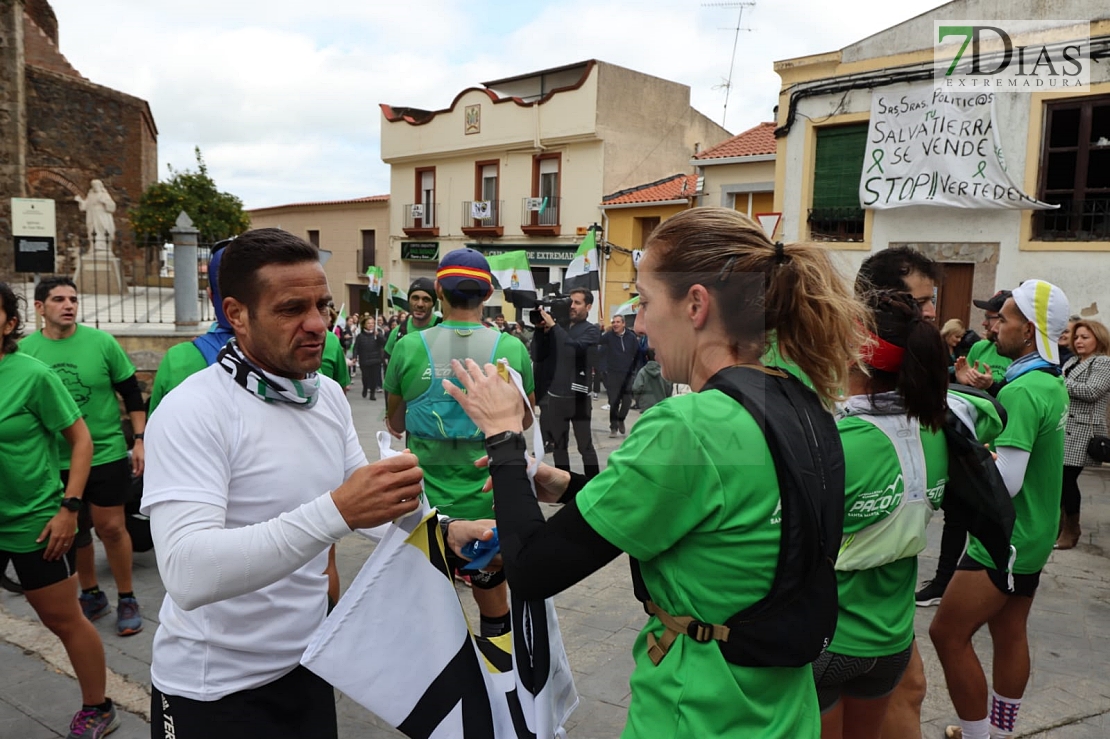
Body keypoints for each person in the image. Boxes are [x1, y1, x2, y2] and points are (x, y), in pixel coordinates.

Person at [444, 207, 869, 738]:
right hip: (779, 710)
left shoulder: (688, 425)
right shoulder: (796, 397)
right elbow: (695, 508)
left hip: (696, 710)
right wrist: (558, 481)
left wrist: (505, 436)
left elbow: (531, 571)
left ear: (696, 303)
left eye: (645, 302)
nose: (639, 323)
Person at [140, 228, 487, 738]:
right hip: (211, 688)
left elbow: (368, 502)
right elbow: (187, 574)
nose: (317, 324)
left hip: (310, 663)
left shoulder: (322, 392)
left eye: (323, 305)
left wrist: (445, 530)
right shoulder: (194, 409)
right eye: (290, 309)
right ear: (236, 314)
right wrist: (338, 511)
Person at [930, 280, 1070, 739]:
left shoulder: (1023, 393)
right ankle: (999, 732)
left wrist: (963, 444)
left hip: (1004, 539)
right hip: (1033, 532)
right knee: (1009, 631)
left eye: (1003, 320)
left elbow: (1005, 481)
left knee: (946, 635)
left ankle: (977, 735)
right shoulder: (1045, 379)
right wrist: (990, 388)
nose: (993, 329)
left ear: (1028, 330)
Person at [815, 291, 955, 739]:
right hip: (892, 639)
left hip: (829, 637)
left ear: (856, 356)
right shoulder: (936, 430)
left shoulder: (839, 443)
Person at [384, 248, 534, 638]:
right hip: (490, 502)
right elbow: (526, 419)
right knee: (493, 599)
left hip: (426, 507)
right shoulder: (512, 349)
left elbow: (395, 424)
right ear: (487, 296)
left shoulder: (409, 347)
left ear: (438, 291)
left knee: (431, 608)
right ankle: (496, 679)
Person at [0, 282, 121, 738]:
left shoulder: (32, 375)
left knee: (62, 619)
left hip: (35, 522)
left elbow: (81, 440)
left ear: (10, 323)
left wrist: (70, 508)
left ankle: (99, 706)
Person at [22, 276, 146, 637]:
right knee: (75, 532)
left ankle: (127, 597)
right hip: (53, 460)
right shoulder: (26, 351)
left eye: (73, 299)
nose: (69, 305)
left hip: (105, 451)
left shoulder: (102, 343)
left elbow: (131, 393)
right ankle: (91, 594)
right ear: (39, 307)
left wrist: (139, 440)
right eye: (59, 299)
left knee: (111, 527)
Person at [853, 245, 941, 739]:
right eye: (921, 301)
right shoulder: (838, 388)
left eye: (931, 302)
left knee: (910, 691)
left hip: (889, 611)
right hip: (835, 622)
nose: (930, 313)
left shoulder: (930, 392)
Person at [531, 288, 601, 478]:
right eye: (570, 302)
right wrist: (539, 331)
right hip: (555, 397)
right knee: (559, 446)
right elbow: (538, 355)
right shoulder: (558, 327)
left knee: (584, 446)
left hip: (578, 398)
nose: (572, 306)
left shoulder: (591, 330)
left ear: (588, 306)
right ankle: (565, 485)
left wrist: (554, 327)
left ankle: (593, 484)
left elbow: (573, 350)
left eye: (577, 303)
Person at [1057, 319, 1110, 549]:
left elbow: (1092, 391)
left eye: (1085, 337)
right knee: (1059, 479)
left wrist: (1059, 383)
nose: (1079, 341)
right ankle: (1058, 527)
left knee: (1067, 479)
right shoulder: (1071, 361)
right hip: (1063, 427)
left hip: (1082, 431)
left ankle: (1071, 529)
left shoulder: (1103, 363)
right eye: (1076, 337)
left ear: (1098, 338)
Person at [955, 291, 1014, 395]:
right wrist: (967, 383)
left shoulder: (1017, 354)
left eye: (989, 318)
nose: (984, 323)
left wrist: (990, 386)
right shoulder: (979, 347)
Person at [599, 314, 641, 437]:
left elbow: (636, 353)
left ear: (623, 324)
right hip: (612, 373)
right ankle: (613, 427)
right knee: (613, 401)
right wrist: (600, 329)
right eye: (613, 322)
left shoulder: (631, 337)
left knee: (627, 401)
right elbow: (597, 341)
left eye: (618, 322)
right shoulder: (609, 336)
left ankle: (621, 419)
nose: (615, 324)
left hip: (627, 374)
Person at [75, 179, 116, 247]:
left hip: (102, 215)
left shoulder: (104, 195)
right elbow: (85, 206)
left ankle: (104, 246)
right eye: (93, 186)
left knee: (104, 228)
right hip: (92, 215)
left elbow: (112, 206)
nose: (95, 187)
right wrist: (80, 201)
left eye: (96, 185)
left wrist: (104, 202)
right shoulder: (90, 195)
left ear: (100, 186)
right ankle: (94, 246)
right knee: (93, 230)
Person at [353, 315, 386, 400]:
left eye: (372, 323)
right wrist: (354, 357)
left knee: (374, 377)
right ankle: (365, 387)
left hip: (376, 359)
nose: (371, 325)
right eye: (368, 323)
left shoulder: (377, 333)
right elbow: (356, 347)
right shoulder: (360, 336)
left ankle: (372, 393)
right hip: (364, 360)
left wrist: (379, 335)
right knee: (365, 377)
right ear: (364, 324)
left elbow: (384, 342)